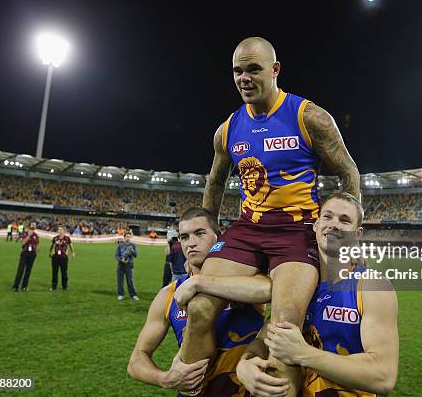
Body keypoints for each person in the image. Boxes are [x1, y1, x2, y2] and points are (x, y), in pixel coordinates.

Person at [181, 37, 361, 396]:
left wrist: (344, 239)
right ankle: (190, 390)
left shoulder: (309, 116)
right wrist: (206, 238)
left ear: (275, 70)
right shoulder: (229, 129)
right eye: (237, 71)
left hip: (297, 232)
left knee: (283, 330)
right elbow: (214, 184)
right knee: (198, 308)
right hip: (247, 229)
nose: (244, 78)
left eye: (253, 69)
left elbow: (350, 174)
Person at [176, 194, 398, 396]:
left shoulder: (371, 286)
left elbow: (383, 376)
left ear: (357, 234)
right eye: (328, 217)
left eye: (345, 220)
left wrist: (303, 353)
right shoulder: (300, 286)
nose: (334, 225)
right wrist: (245, 365)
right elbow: (264, 340)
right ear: (316, 225)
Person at [127, 208, 266, 396]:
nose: (191, 243)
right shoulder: (168, 295)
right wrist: (165, 379)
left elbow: (275, 290)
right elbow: (136, 360)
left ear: (218, 237)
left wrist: (200, 282)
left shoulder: (245, 280)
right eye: (184, 237)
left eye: (200, 234)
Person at [12, 221, 39, 292]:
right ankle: (16, 285)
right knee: (20, 270)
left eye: (35, 225)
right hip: (25, 253)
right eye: (33, 224)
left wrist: (36, 252)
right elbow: (23, 242)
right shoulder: (25, 233)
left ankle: (24, 286)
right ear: (30, 225)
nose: (34, 225)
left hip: (32, 254)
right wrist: (28, 236)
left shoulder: (36, 235)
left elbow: (37, 244)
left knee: (28, 271)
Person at [49, 226, 75, 291]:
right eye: (59, 230)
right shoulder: (55, 238)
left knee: (64, 272)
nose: (60, 231)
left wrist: (73, 252)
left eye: (61, 230)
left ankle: (64, 286)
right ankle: (54, 286)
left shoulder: (67, 238)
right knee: (54, 272)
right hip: (55, 257)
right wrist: (50, 252)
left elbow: (70, 245)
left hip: (63, 257)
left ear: (64, 231)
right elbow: (52, 246)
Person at [116, 232, 139, 301]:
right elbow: (117, 255)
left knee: (130, 281)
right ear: (124, 237)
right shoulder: (120, 245)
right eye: (127, 236)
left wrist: (132, 251)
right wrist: (121, 259)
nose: (128, 238)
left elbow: (136, 255)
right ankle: (121, 294)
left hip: (129, 265)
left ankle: (133, 295)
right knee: (120, 281)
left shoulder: (133, 245)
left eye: (129, 237)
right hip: (120, 265)